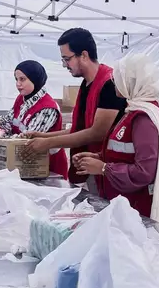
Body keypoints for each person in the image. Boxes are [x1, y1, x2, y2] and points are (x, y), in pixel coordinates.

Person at [71, 54, 159, 225]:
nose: (114, 82)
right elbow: (125, 152)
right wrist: (99, 157)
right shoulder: (131, 111)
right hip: (123, 206)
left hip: (135, 212)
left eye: (118, 78)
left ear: (132, 82)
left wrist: (104, 168)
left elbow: (144, 172)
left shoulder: (143, 119)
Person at [22, 28, 127, 187]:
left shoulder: (109, 84)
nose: (65, 65)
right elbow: (80, 129)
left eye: (67, 59)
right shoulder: (86, 84)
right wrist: (43, 136)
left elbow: (97, 133)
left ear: (84, 55)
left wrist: (48, 143)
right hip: (89, 168)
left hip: (109, 171)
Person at [0, 60, 68, 179]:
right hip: (24, 165)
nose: (18, 84)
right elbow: (10, 118)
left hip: (47, 170)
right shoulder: (22, 99)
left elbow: (25, 142)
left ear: (35, 79)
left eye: (23, 79)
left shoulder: (46, 109)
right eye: (16, 79)